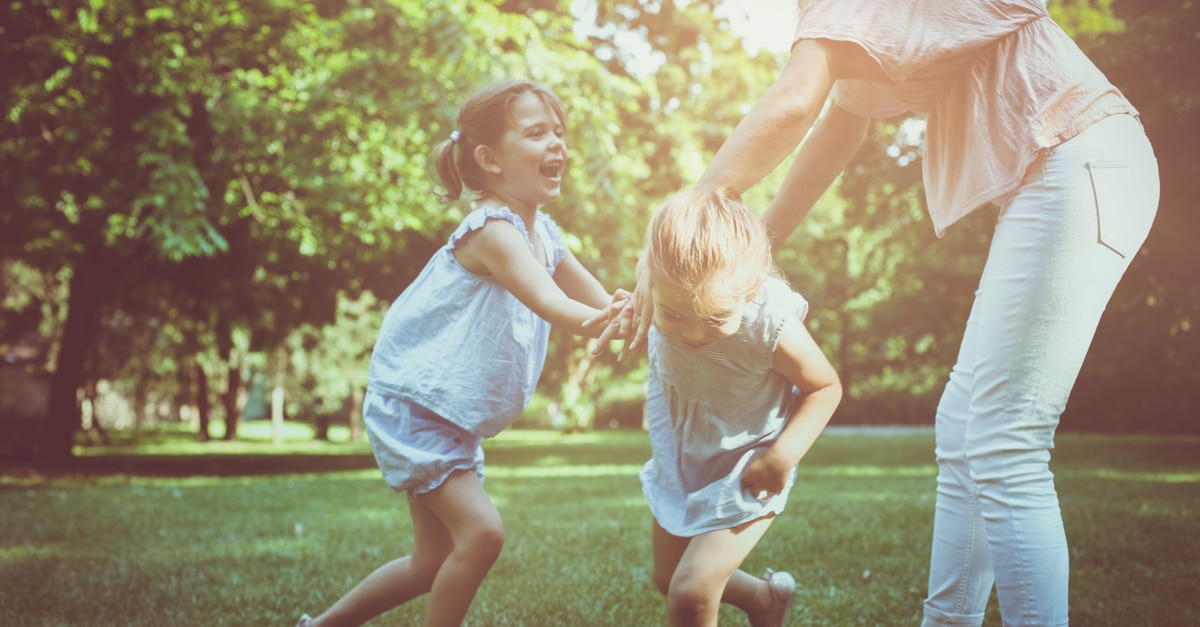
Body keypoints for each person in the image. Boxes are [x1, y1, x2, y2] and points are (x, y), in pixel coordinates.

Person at [610, 1, 1159, 625]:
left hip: (1078, 158)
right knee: (963, 429)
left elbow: (793, 105)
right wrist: (741, 262)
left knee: (1005, 442)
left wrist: (681, 234)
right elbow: (839, 129)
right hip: (1065, 168)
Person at [296, 79, 626, 627]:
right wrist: (611, 318)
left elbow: (600, 300)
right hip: (415, 407)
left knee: (432, 562)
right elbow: (556, 305)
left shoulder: (545, 233)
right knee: (482, 534)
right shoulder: (495, 230)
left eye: (559, 133)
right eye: (537, 133)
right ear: (488, 159)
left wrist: (647, 311)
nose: (557, 145)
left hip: (446, 415)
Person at [635, 190, 842, 627]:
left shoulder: (769, 324)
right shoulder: (658, 292)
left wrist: (783, 456)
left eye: (714, 319)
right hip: (682, 457)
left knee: (690, 593)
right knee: (669, 577)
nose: (692, 333)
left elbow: (825, 387)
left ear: (750, 293)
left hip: (749, 466)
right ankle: (765, 600)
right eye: (674, 315)